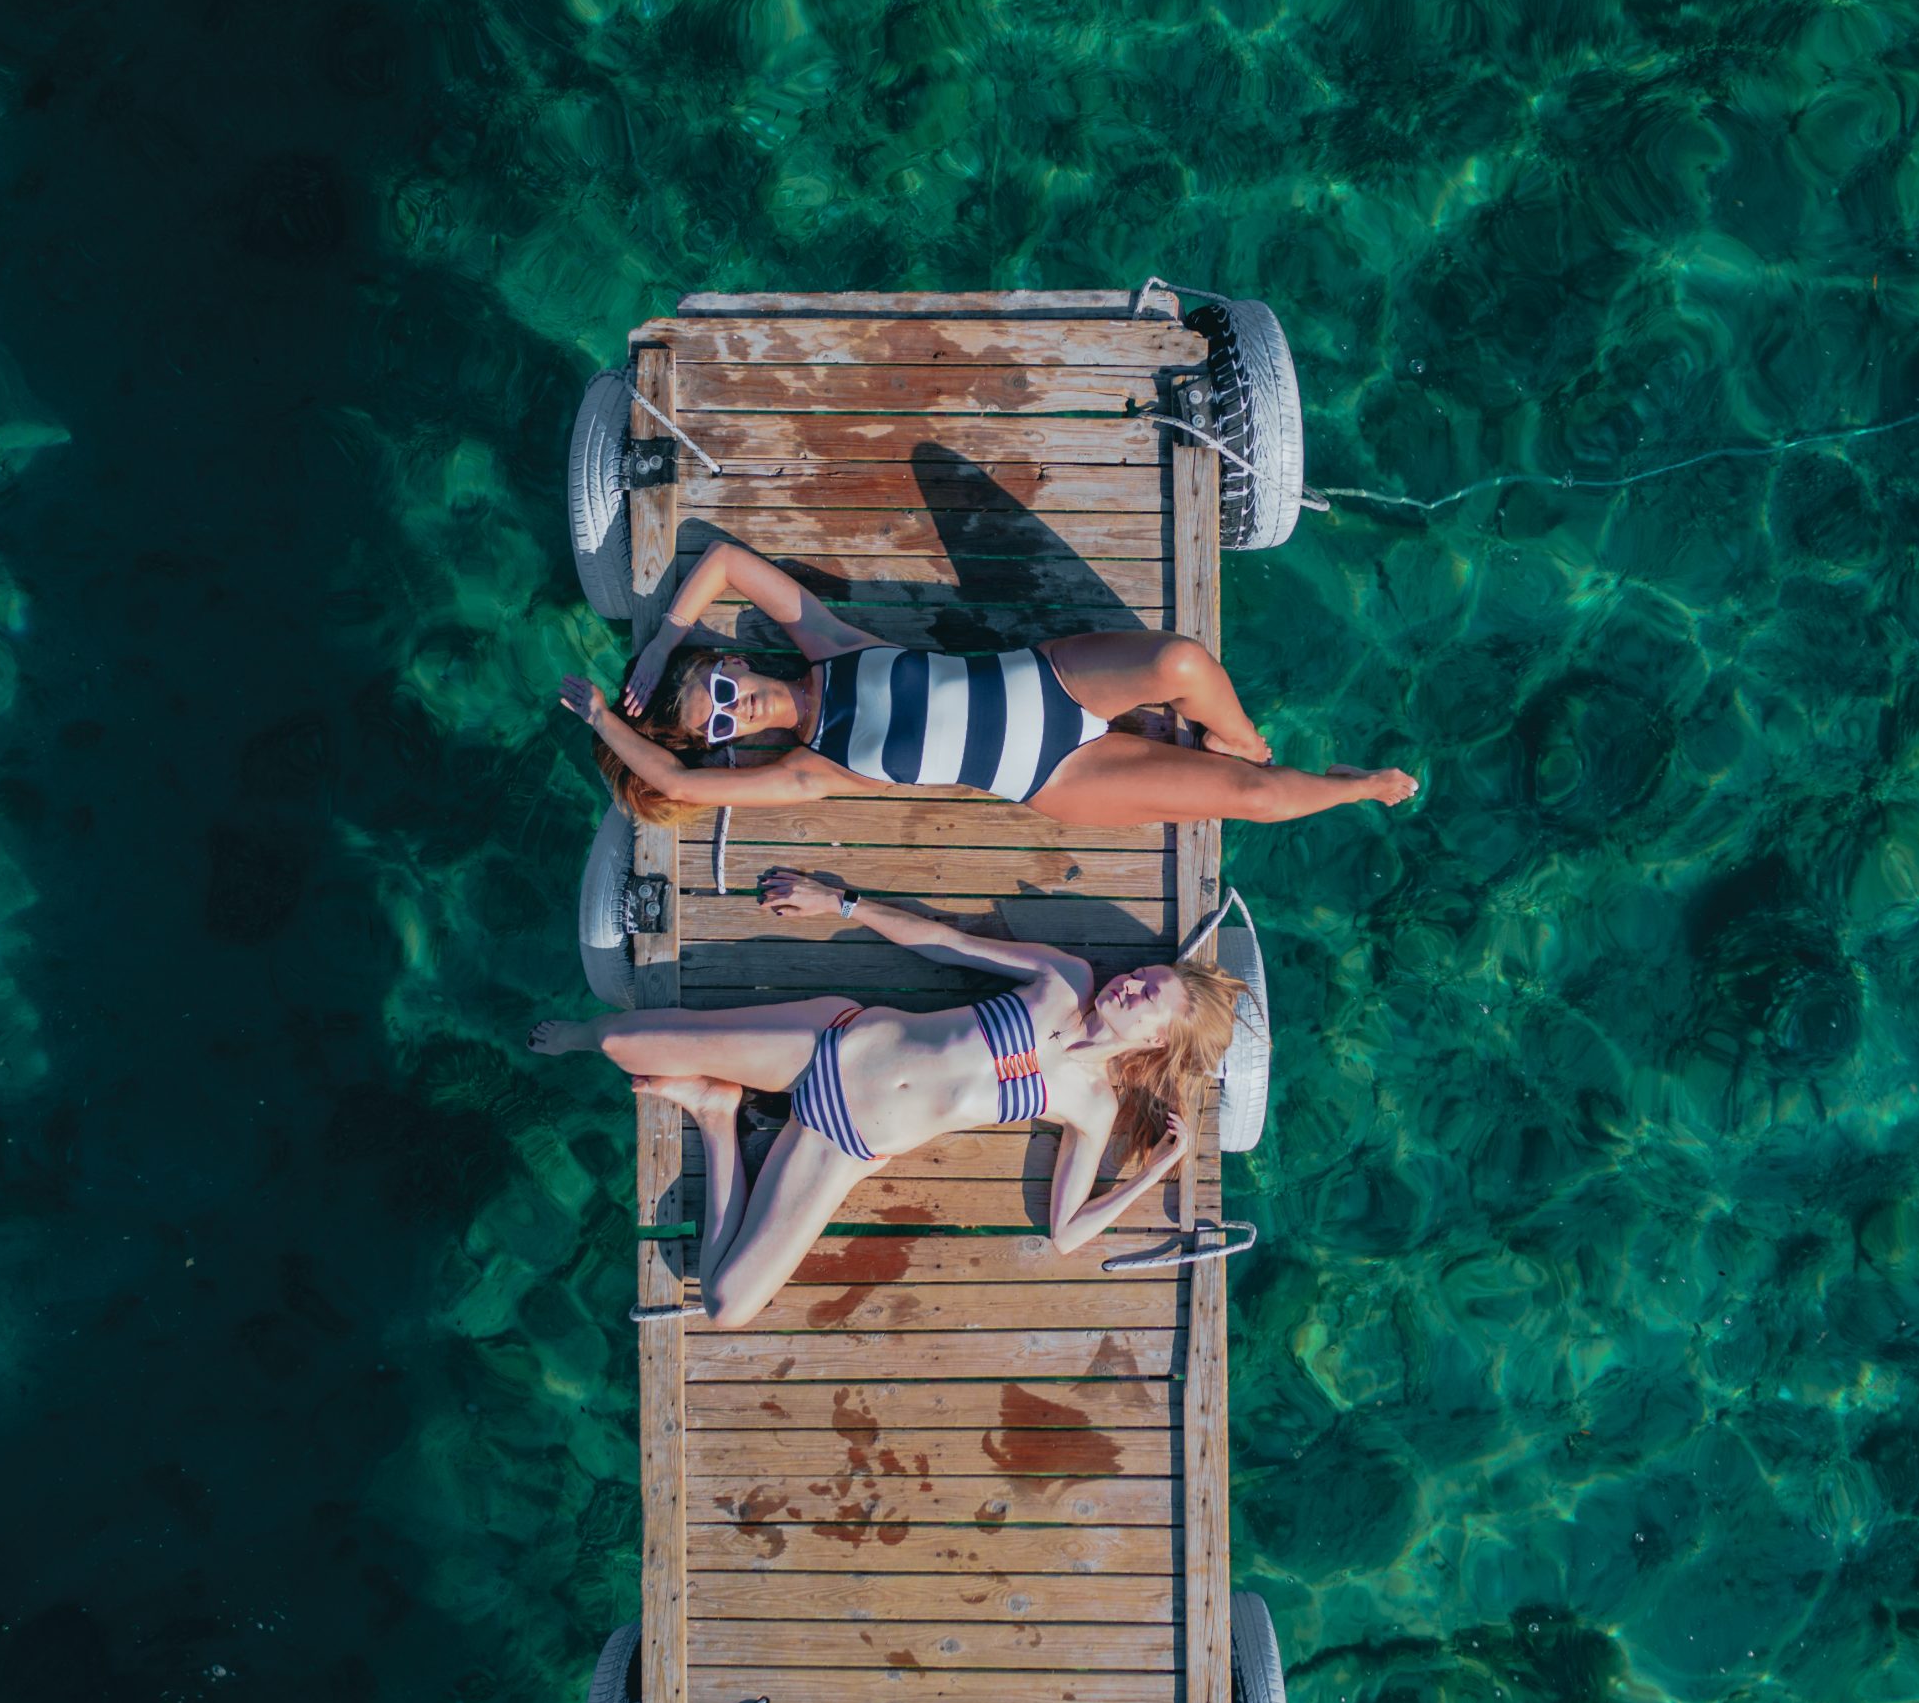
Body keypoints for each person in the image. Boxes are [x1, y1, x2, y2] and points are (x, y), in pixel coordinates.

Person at [528, 868, 1246, 1326]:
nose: (1131, 983)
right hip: (833, 1043)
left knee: (726, 1304)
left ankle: (716, 1115)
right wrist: (840, 902)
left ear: (1158, 1040)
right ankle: (583, 1037)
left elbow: (1065, 1235)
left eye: (1148, 995)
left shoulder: (1092, 1109)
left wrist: (1154, 1170)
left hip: (845, 1142)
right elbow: (945, 943)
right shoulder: (1065, 979)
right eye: (1145, 974)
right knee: (618, 1041)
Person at [557, 533, 1418, 829]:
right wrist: (602, 720)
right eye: (719, 725)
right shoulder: (811, 770)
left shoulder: (829, 644)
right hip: (1057, 776)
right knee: (1253, 802)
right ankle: (1354, 786)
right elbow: (674, 783)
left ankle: (1245, 739)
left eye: (719, 691)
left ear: (732, 663)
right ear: (727, 744)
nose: (733, 710)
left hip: (1053, 683)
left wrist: (662, 645)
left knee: (1181, 663)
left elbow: (726, 561)